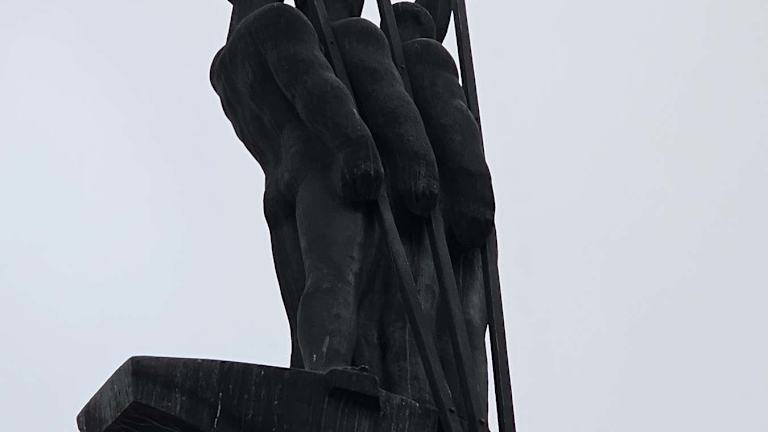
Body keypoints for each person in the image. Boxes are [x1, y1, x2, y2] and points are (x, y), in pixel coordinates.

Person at [211, 0, 494, 415]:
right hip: (325, 163)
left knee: (310, 289)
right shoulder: (307, 29)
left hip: (281, 181)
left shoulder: (226, 65)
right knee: (337, 277)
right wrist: (357, 145)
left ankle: (319, 368)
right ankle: (333, 373)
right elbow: (314, 83)